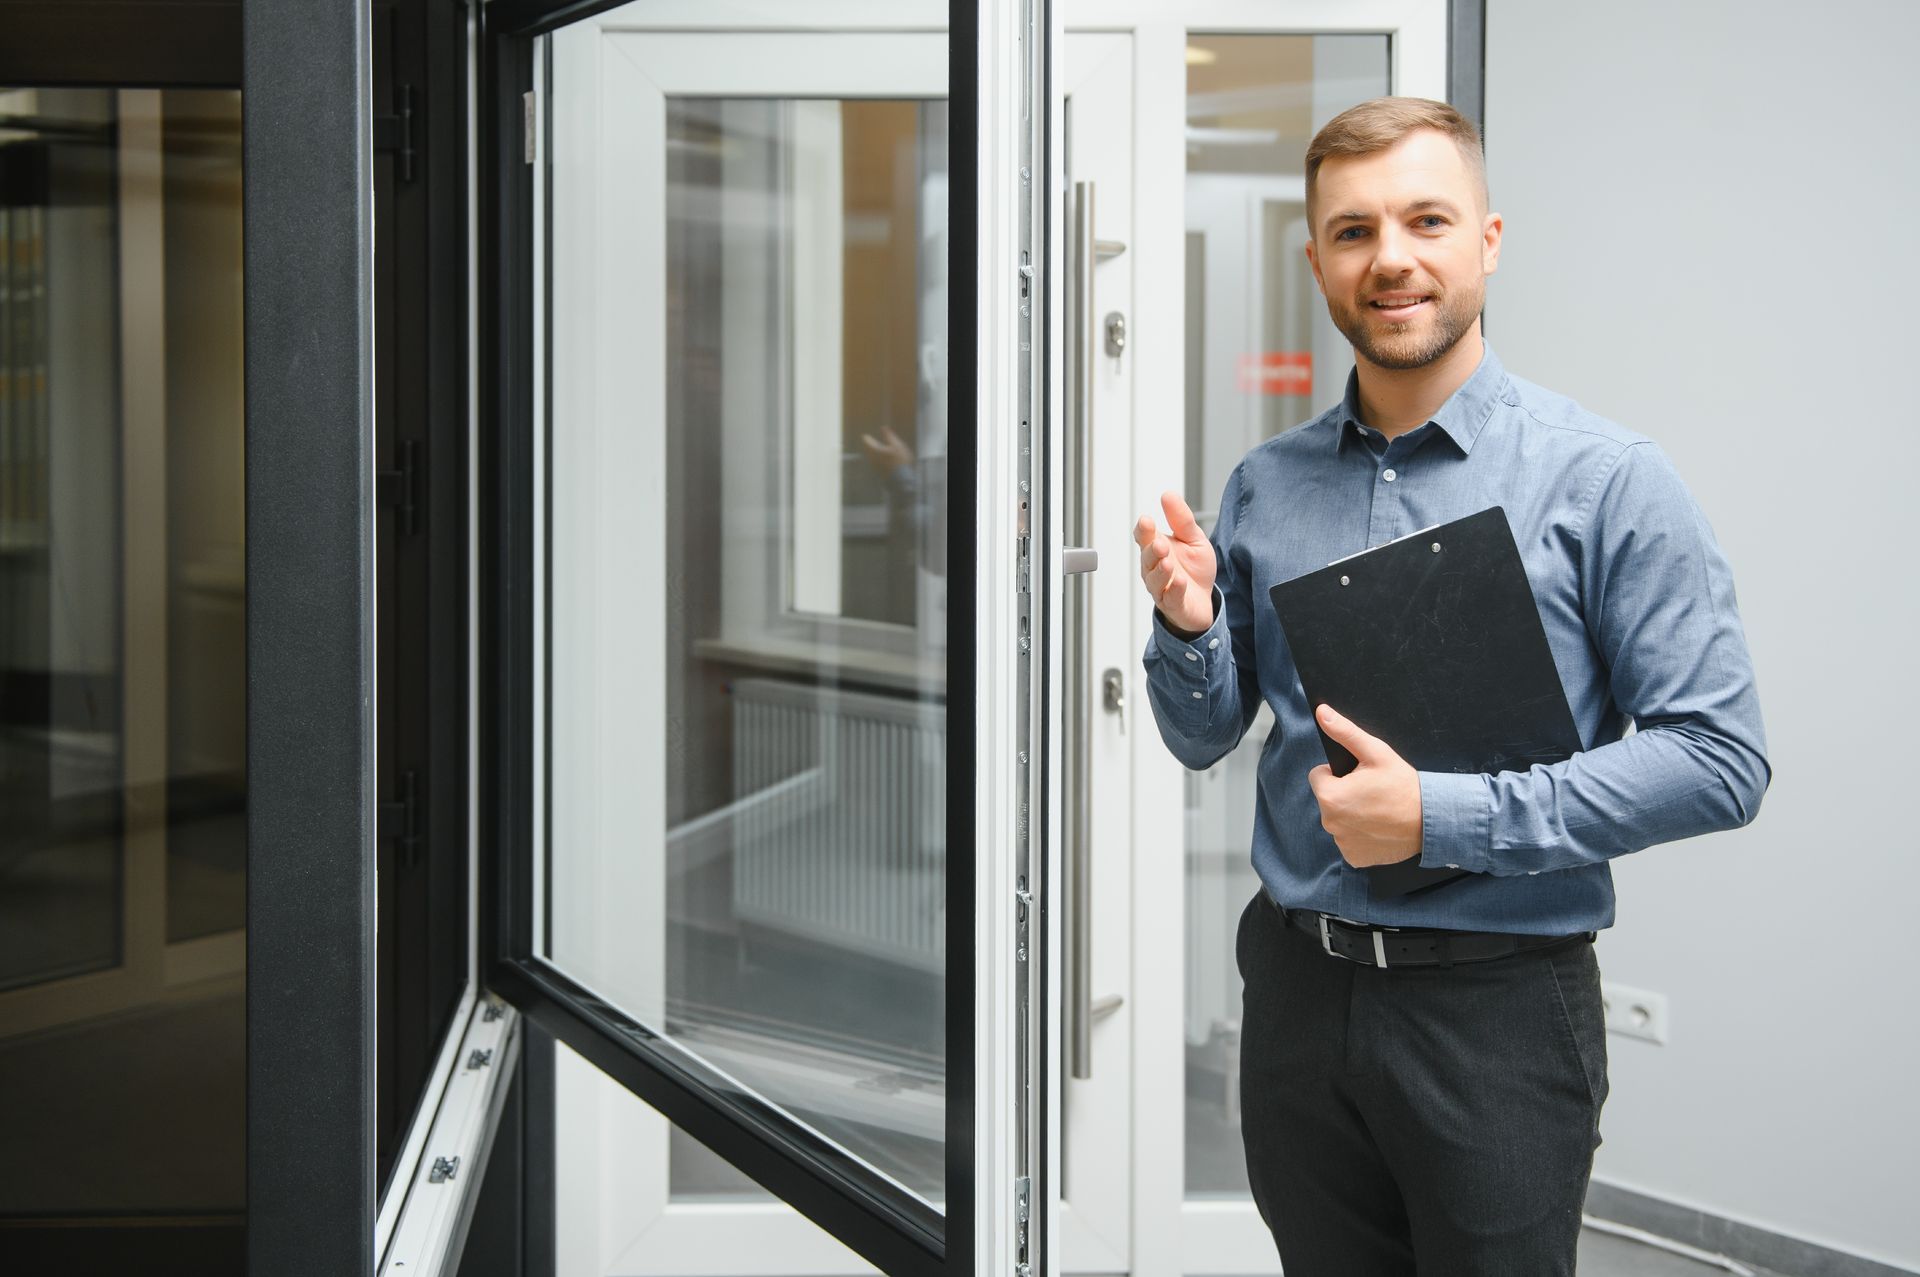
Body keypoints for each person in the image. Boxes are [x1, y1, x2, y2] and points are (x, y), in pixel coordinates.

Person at [1134, 97, 1768, 1276]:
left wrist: (1439, 815)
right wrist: (1191, 626)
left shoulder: (1608, 480)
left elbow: (1720, 757)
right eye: (1355, 229)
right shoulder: (1267, 482)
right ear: (1318, 256)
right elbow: (1204, 732)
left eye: (1427, 218)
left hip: (1499, 1014)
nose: (1392, 258)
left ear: (1486, 238)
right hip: (1296, 996)